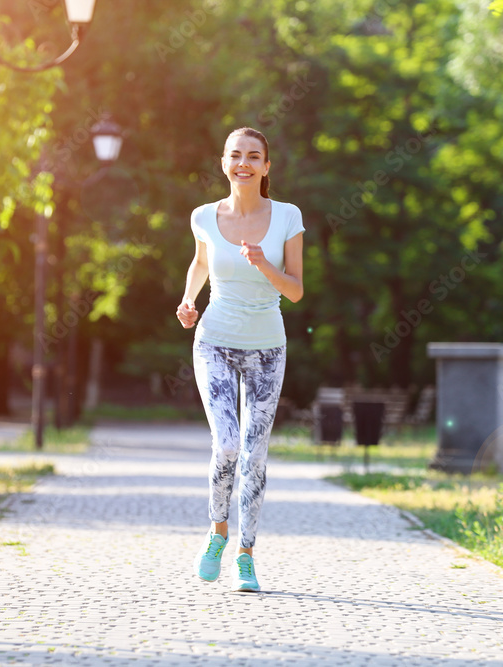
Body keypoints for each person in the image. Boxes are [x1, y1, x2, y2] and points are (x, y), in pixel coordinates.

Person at [176, 127, 304, 592]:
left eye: (254, 156)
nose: (244, 163)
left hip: (268, 349)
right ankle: (217, 532)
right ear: (224, 162)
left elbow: (295, 290)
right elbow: (201, 263)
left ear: (267, 166)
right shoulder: (205, 216)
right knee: (227, 444)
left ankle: (246, 555)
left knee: (255, 453)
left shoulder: (288, 216)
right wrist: (188, 300)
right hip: (215, 341)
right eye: (236, 155)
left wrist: (263, 264)